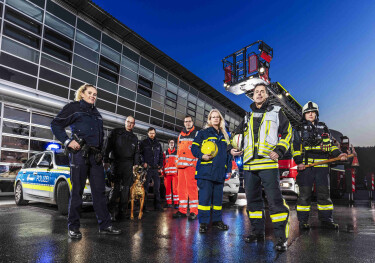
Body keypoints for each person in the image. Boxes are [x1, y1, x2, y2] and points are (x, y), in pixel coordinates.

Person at [51, 83, 121, 239]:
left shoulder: (97, 114)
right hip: (79, 155)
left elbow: (100, 136)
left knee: (99, 193)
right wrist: (67, 141)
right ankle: (73, 227)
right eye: (90, 93)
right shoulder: (73, 107)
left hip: (95, 157)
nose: (93, 96)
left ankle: (105, 225)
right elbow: (55, 124)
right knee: (77, 192)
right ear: (82, 93)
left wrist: (102, 155)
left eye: (95, 94)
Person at [232, 83, 292, 251]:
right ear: (253, 96)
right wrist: (233, 148)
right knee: (253, 202)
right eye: (256, 92)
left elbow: (288, 132)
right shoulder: (247, 117)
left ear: (267, 95)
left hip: (268, 164)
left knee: (275, 202)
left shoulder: (276, 112)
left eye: (262, 92)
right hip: (250, 165)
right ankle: (257, 232)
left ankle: (281, 238)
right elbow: (236, 136)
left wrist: (279, 150)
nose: (258, 94)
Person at [292, 101, 347, 229]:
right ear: (304, 114)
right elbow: (295, 148)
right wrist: (299, 162)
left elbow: (331, 145)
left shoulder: (324, 127)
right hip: (306, 168)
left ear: (316, 114)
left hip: (322, 168)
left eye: (313, 112)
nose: (311, 114)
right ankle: (303, 222)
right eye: (308, 112)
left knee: (324, 196)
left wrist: (339, 154)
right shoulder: (299, 129)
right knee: (304, 196)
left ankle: (327, 221)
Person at [191, 109, 232, 233]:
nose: (215, 119)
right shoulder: (203, 133)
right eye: (213, 117)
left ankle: (216, 221)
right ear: (209, 119)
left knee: (217, 200)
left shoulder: (225, 135)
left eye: (217, 117)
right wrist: (201, 155)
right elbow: (194, 148)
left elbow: (228, 155)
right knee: (204, 199)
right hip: (206, 172)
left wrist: (228, 169)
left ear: (220, 120)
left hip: (219, 173)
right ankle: (203, 223)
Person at [103, 116, 140, 221]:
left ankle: (122, 213)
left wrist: (136, 164)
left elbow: (137, 153)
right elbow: (107, 146)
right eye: (128, 122)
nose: (130, 124)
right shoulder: (116, 132)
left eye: (132, 123)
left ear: (134, 125)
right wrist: (105, 160)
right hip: (116, 163)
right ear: (125, 122)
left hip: (128, 165)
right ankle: (109, 213)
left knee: (126, 190)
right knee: (116, 189)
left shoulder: (134, 137)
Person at [172, 116, 199, 220]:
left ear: (192, 122)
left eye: (189, 121)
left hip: (191, 166)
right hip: (181, 167)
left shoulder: (196, 134)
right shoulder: (180, 135)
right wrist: (176, 164)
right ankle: (182, 211)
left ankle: (193, 212)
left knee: (192, 189)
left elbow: (198, 150)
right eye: (186, 122)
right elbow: (178, 151)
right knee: (181, 189)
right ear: (184, 123)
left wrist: (195, 164)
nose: (187, 123)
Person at [139, 127, 164, 211]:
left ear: (155, 133)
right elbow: (140, 154)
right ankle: (143, 206)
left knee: (157, 188)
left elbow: (161, 156)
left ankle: (157, 206)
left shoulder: (158, 144)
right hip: (147, 168)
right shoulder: (143, 143)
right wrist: (143, 162)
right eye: (150, 133)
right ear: (147, 133)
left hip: (155, 169)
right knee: (145, 188)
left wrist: (160, 166)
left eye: (153, 133)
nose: (152, 135)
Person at [163, 139, 179, 208]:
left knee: (176, 189)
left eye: (173, 142)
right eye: (170, 142)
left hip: (175, 174)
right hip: (167, 174)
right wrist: (162, 172)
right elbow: (163, 163)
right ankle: (168, 202)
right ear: (168, 144)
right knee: (168, 189)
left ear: (174, 144)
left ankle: (176, 203)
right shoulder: (165, 153)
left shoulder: (177, 152)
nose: (172, 144)